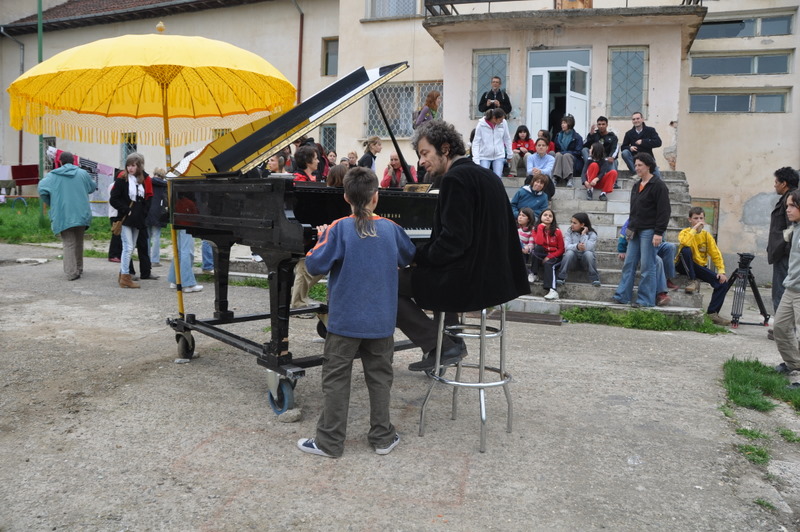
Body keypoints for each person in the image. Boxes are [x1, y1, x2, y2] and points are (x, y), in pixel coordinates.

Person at [297, 167, 416, 458]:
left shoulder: (337, 228)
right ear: (376, 196)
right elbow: (409, 255)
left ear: (346, 197)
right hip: (381, 321)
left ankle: (329, 442)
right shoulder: (391, 228)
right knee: (380, 378)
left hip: (344, 321)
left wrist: (320, 238)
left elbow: (313, 265)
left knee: (336, 378)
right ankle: (382, 437)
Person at [399, 120, 529, 372]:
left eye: (425, 153)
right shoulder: (487, 175)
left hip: (469, 283)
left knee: (385, 283)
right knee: (434, 271)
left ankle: (439, 345)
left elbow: (453, 242)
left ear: (445, 148)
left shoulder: (455, 179)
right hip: (494, 280)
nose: (422, 161)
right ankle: (451, 340)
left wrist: (415, 256)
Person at [612, 153, 671, 307]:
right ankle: (622, 295)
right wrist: (629, 229)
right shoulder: (636, 185)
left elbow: (664, 211)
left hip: (650, 231)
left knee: (647, 266)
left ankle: (645, 300)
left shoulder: (658, 185)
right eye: (636, 165)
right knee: (629, 264)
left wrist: (658, 232)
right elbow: (634, 210)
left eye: (640, 165)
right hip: (635, 230)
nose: (637, 168)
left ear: (648, 166)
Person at [37, 151, 98, 281]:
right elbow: (93, 187)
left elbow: (42, 190)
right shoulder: (82, 174)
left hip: (62, 214)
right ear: (74, 161)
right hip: (81, 213)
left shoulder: (52, 176)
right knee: (79, 242)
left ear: (60, 162)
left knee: (69, 243)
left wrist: (52, 202)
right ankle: (79, 268)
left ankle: (71, 272)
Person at [675, 207, 732, 325]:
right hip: (683, 265)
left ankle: (712, 313)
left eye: (701, 218)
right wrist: (695, 229)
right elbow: (685, 242)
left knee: (722, 283)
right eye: (696, 218)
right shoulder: (685, 232)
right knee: (686, 250)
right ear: (690, 219)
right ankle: (692, 280)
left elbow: (715, 254)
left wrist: (721, 271)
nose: (699, 221)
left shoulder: (707, 235)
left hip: (698, 267)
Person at [110, 152, 151, 289]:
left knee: (131, 247)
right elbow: (113, 199)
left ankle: (123, 274)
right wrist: (126, 210)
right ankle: (125, 277)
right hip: (126, 218)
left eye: (133, 165)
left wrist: (143, 213)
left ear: (139, 166)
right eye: (128, 165)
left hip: (137, 219)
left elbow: (145, 200)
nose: (130, 168)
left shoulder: (142, 180)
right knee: (127, 247)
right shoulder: (122, 180)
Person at [773, 189, 800, 386]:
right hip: (791, 287)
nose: (788, 210)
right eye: (787, 205)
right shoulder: (796, 227)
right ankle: (795, 364)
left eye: (792, 205)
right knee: (780, 327)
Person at [617, 218, 676, 307]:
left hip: (656, 245)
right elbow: (623, 234)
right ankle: (661, 294)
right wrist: (621, 249)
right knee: (657, 260)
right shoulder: (634, 218)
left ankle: (667, 278)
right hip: (642, 249)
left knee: (670, 247)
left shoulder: (658, 218)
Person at [767, 167, 799, 325]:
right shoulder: (788, 198)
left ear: (784, 183)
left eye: (776, 182)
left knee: (781, 292)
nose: (774, 185)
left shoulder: (791, 199)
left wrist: (784, 249)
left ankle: (783, 328)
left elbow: (792, 229)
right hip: (783, 252)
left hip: (784, 254)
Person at [167, 191, 203, 293]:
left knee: (179, 252)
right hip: (187, 226)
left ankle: (175, 279)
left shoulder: (178, 200)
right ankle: (187, 283)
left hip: (179, 224)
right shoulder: (189, 202)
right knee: (187, 252)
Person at [557, 212, 599, 287]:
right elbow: (566, 246)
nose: (572, 225)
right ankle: (561, 277)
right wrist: (577, 246)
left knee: (588, 253)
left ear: (582, 224)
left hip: (585, 261)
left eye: (574, 223)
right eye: (571, 222)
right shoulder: (569, 232)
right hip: (572, 261)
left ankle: (594, 278)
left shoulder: (592, 234)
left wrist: (583, 234)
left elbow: (588, 248)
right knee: (569, 253)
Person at [530, 208, 564, 301]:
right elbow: (539, 242)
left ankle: (553, 290)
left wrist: (549, 257)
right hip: (542, 254)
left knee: (549, 264)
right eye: (545, 215)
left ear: (553, 219)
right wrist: (541, 228)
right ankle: (534, 274)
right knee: (537, 248)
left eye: (550, 216)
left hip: (555, 256)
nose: (547, 217)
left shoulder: (557, 231)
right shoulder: (536, 229)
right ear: (540, 217)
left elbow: (561, 249)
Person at [471, 108, 512, 178]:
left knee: (498, 177)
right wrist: (476, 160)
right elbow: (476, 142)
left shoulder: (503, 123)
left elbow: (507, 138)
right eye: (500, 120)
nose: (502, 122)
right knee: (484, 177)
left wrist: (509, 154)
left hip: (499, 155)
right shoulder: (481, 124)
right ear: (494, 118)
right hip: (484, 156)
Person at [620, 111, 662, 177]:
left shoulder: (650, 130)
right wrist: (630, 148)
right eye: (634, 119)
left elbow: (658, 142)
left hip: (648, 157)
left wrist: (643, 142)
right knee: (625, 152)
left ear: (642, 119)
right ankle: (636, 173)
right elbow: (623, 147)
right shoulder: (629, 133)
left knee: (657, 177)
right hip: (635, 159)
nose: (636, 121)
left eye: (638, 118)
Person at [581, 116, 618, 181]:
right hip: (594, 159)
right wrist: (590, 135)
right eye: (599, 124)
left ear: (607, 125)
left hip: (606, 159)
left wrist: (611, 157)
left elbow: (615, 148)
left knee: (614, 161)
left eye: (603, 124)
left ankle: (614, 182)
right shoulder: (594, 135)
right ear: (597, 125)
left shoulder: (612, 137)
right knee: (584, 150)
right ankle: (589, 169)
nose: (601, 126)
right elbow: (584, 145)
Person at [552, 114, 584, 188]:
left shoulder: (577, 137)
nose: (562, 125)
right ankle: (555, 177)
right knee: (558, 155)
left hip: (574, 160)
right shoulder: (558, 135)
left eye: (564, 123)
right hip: (560, 159)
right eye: (562, 123)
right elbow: (556, 149)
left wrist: (564, 152)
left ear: (570, 124)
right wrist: (561, 153)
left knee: (566, 155)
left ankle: (570, 178)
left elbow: (578, 152)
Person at [146, 167, 168, 268]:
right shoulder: (165, 185)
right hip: (159, 212)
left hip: (147, 211)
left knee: (147, 236)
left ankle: (146, 258)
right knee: (156, 236)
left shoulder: (148, 182)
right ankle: (155, 260)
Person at [517, 207, 536, 283]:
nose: (520, 217)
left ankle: (529, 273)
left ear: (529, 219)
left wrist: (527, 248)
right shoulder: (515, 228)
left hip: (524, 252)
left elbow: (531, 243)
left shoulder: (532, 230)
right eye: (519, 215)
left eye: (523, 216)